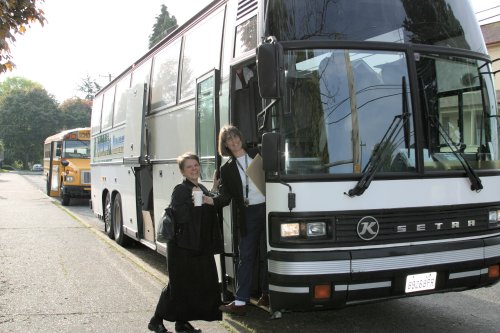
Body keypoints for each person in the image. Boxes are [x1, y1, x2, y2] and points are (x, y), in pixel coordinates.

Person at [148, 152, 223, 333]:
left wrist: (212, 189)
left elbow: (211, 205)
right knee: (178, 286)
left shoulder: (202, 188)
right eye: (189, 167)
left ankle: (182, 323)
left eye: (196, 165)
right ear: (183, 172)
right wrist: (193, 202)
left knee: (194, 285)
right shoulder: (180, 190)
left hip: (197, 246)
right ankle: (156, 320)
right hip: (181, 247)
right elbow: (179, 215)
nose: (194, 169)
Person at [211, 124, 268, 315]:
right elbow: (225, 197)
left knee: (271, 252)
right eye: (229, 139)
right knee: (246, 257)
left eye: (236, 137)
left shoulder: (258, 153)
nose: (234, 141)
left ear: (240, 137)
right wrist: (211, 198)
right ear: (225, 144)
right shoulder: (226, 169)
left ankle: (267, 293)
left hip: (270, 209)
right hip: (248, 213)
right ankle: (241, 302)